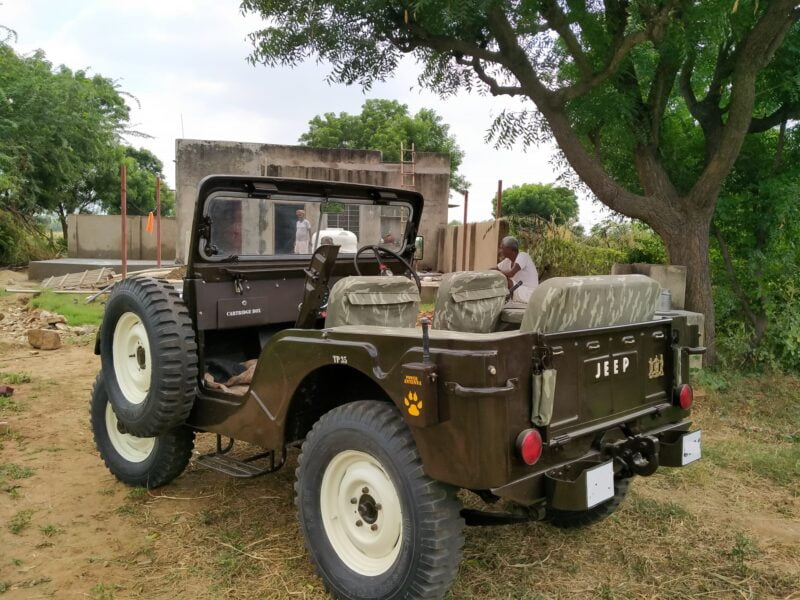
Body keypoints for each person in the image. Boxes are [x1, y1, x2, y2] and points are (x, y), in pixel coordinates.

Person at [492, 236, 538, 302]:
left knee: (504, 280)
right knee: (500, 278)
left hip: (528, 293)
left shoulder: (523, 256)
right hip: (518, 290)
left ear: (509, 249)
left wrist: (497, 273)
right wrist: (484, 273)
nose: (500, 251)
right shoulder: (508, 260)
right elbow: (494, 269)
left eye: (502, 248)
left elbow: (511, 274)